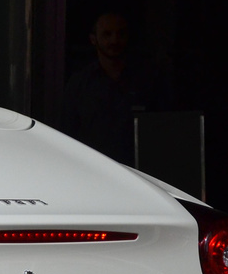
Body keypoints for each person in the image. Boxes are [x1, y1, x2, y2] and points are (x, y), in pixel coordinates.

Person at [60, 12, 172, 163]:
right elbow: (66, 135)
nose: (114, 40)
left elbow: (164, 131)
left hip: (139, 173)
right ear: (93, 39)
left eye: (120, 33)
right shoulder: (80, 83)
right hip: (91, 171)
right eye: (107, 34)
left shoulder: (148, 80)